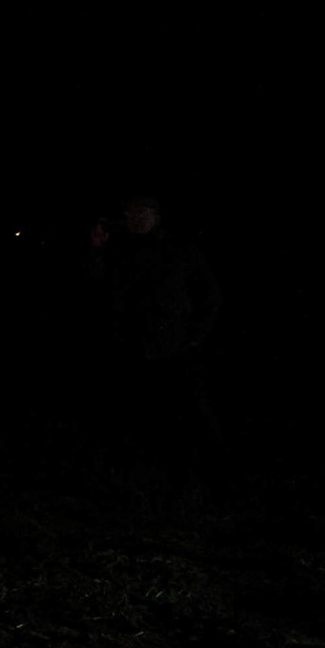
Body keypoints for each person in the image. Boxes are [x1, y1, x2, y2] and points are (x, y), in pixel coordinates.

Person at [90, 195, 223, 476]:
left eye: (143, 212)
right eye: (130, 213)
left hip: (177, 347)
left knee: (191, 411)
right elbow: (95, 287)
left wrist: (196, 336)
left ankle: (213, 470)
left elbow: (209, 293)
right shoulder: (118, 249)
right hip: (131, 345)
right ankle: (138, 471)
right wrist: (97, 250)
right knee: (134, 413)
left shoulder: (180, 248)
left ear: (156, 215)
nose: (136, 218)